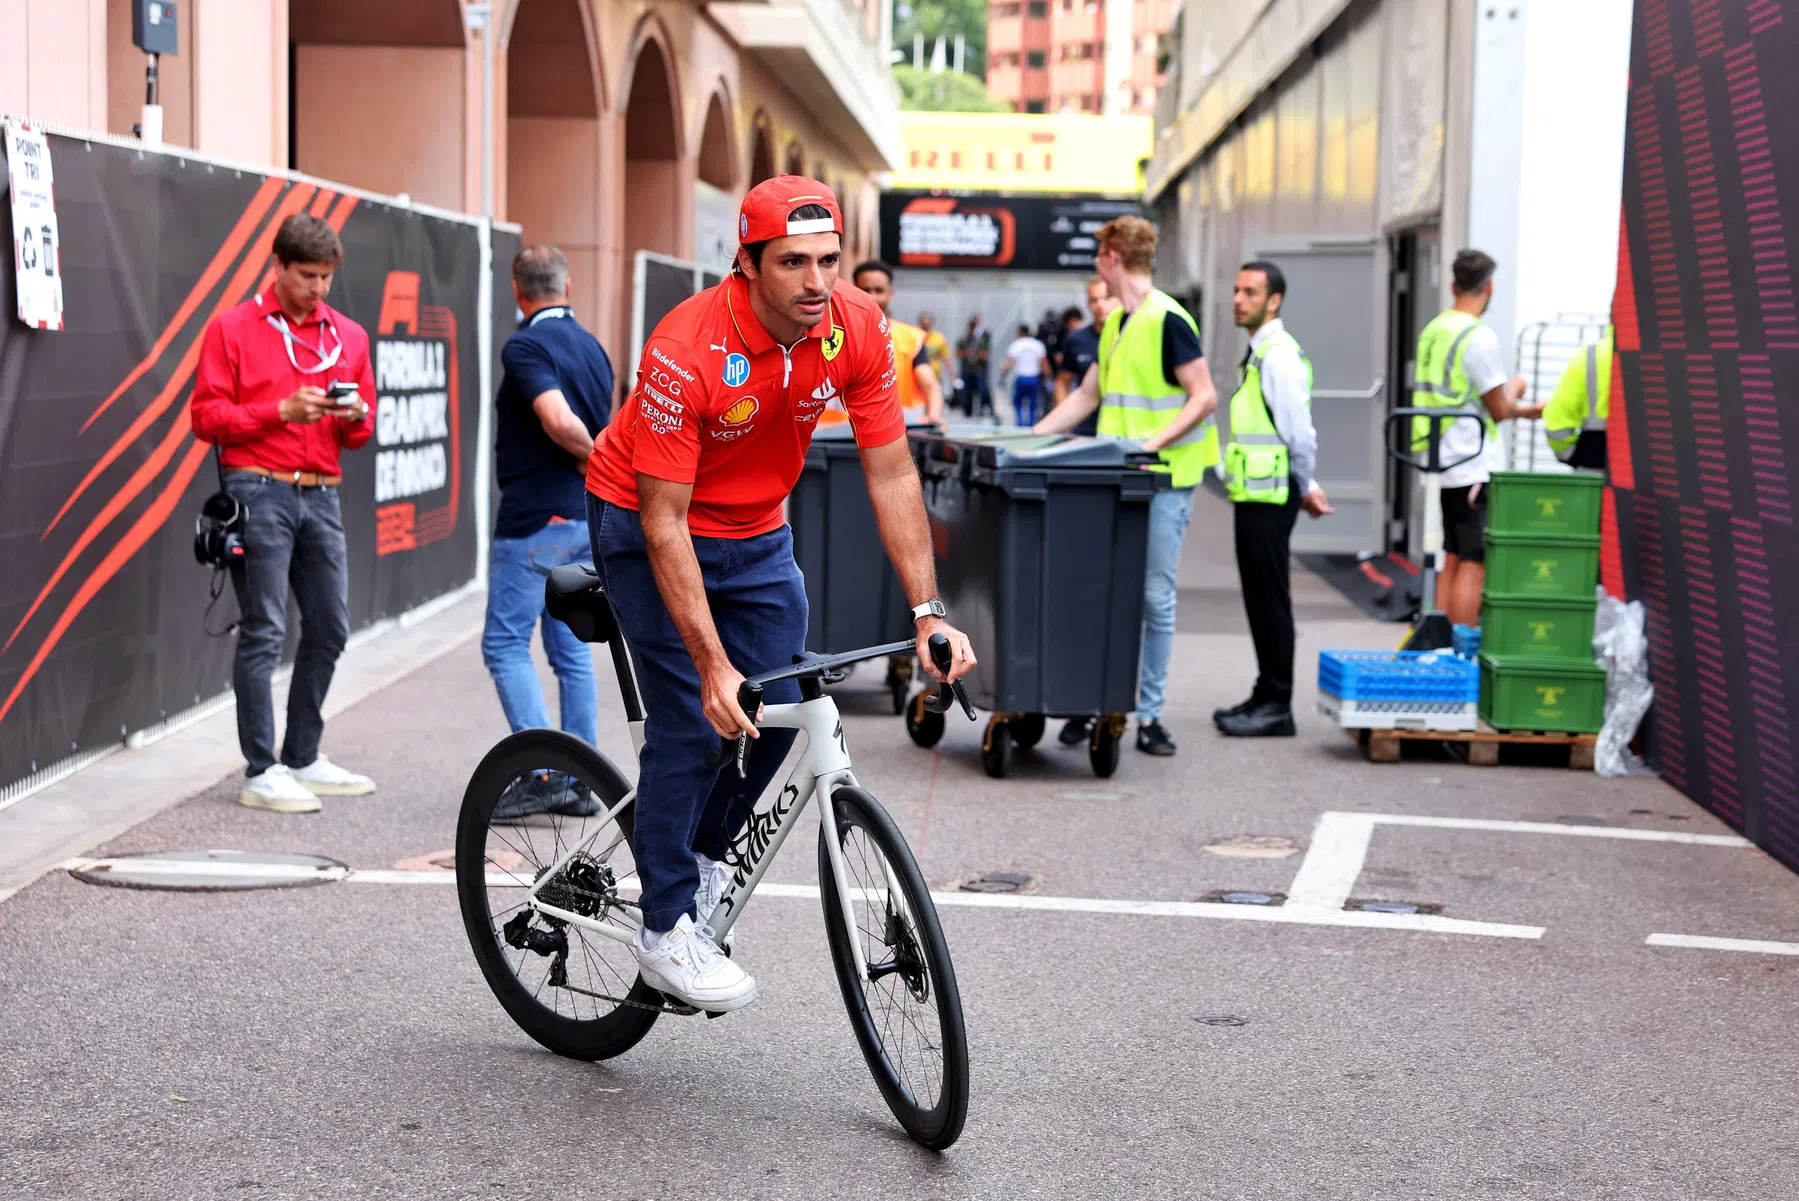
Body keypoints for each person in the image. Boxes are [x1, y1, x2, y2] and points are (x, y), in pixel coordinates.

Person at [584, 175, 976, 1013]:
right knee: (694, 715)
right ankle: (663, 929)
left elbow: (891, 469)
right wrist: (710, 663)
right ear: (747, 262)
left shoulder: (855, 329)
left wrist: (926, 610)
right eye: (793, 261)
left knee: (784, 705)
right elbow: (663, 523)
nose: (815, 281)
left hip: (757, 529)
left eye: (828, 260)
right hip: (645, 517)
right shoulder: (685, 347)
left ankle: (704, 847)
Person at [190, 214, 378, 814]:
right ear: (278, 266)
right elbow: (205, 418)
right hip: (258, 488)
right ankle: (261, 768)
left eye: (326, 277)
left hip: (321, 490)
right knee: (265, 628)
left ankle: (302, 755)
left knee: (330, 627)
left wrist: (355, 419)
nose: (318, 288)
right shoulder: (233, 329)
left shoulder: (348, 335)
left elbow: (360, 433)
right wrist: (279, 411)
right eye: (307, 276)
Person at [1035, 215, 1217, 756]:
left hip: (1162, 480)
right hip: (1116, 482)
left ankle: (1151, 717)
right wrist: (1027, 437)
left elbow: (1203, 395)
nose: (1096, 264)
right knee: (1102, 594)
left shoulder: (1168, 320)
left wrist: (1152, 443)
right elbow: (1086, 398)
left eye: (1098, 255)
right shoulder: (1117, 325)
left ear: (1113, 257)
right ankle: (1096, 703)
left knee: (1154, 599)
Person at [481, 246, 615, 818]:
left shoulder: (527, 344)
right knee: (570, 651)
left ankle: (542, 774)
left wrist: (597, 459)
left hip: (536, 519)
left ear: (517, 289)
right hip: (582, 516)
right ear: (568, 285)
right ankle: (579, 779)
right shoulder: (593, 347)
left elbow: (558, 420)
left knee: (504, 644)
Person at [1215, 262, 1333, 738]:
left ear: (1274, 300)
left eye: (1251, 292)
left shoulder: (1279, 356)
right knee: (1260, 597)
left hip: (1272, 495)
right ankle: (1265, 693)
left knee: (1271, 598)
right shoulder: (1260, 352)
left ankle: (1277, 703)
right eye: (1237, 290)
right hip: (1256, 492)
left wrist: (1306, 485)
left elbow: (1299, 434)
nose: (1239, 299)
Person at [1411, 249, 1544, 628]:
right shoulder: (1478, 338)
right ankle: (1459, 647)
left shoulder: (1433, 331)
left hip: (1441, 458)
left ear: (1454, 285)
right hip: (1472, 462)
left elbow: (1459, 398)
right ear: (1490, 288)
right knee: (1474, 559)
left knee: (1452, 554)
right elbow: (1499, 409)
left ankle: (1437, 641)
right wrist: (1518, 391)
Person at [846, 260, 945, 425]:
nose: (872, 297)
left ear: (890, 293)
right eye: (865, 290)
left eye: (879, 290)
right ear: (853, 290)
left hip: (895, 436)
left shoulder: (911, 338)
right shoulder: (829, 334)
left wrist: (934, 416)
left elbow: (931, 386)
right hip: (834, 438)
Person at [1054, 276, 1119, 438]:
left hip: (1121, 427)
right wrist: (1065, 422)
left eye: (1106, 298)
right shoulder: (1076, 340)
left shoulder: (1128, 335)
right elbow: (1062, 381)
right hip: (1085, 427)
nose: (1100, 305)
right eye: (1094, 300)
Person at [1542, 323, 1613, 470]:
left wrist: (1574, 455)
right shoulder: (1669, 354)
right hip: (1662, 475)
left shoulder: (1591, 356)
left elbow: (1557, 424)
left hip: (1595, 470)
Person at [1001, 323, 1050, 427]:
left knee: (1018, 403)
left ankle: (1020, 423)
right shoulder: (1037, 344)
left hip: (1021, 377)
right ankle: (1031, 424)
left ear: (1020, 332)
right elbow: (1044, 363)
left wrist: (1003, 375)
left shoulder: (1017, 344)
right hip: (1033, 378)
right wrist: (1048, 377)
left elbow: (1009, 362)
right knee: (1033, 404)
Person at [955, 315, 993, 419]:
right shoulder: (963, 339)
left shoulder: (982, 338)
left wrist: (975, 353)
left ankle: (981, 412)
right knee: (967, 392)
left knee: (981, 391)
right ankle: (968, 413)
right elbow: (958, 353)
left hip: (978, 370)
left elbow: (985, 354)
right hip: (967, 370)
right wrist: (968, 353)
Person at [918, 310, 951, 389]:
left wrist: (952, 376)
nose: (925, 325)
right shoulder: (915, 337)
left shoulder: (939, 338)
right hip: (918, 378)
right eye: (923, 323)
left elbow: (946, 358)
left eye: (928, 323)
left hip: (935, 376)